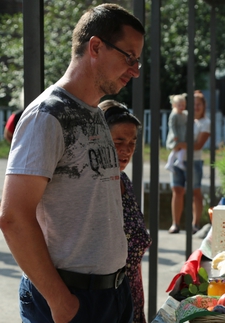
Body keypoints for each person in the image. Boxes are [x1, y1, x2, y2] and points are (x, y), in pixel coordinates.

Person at [0, 4, 144, 323]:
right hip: (72, 298)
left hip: (111, 295)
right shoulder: (46, 116)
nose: (135, 69)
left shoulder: (93, 111)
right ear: (95, 47)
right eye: (129, 57)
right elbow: (13, 218)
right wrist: (60, 300)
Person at [100, 100, 152, 323]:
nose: (128, 149)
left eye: (133, 142)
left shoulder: (123, 181)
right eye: (119, 141)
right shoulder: (94, 186)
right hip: (105, 301)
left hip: (132, 292)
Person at [168, 91, 210, 234]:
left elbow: (198, 145)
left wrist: (180, 145)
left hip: (194, 161)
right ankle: (175, 223)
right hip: (178, 159)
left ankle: (195, 224)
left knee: (195, 192)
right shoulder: (184, 117)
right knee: (177, 190)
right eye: (193, 104)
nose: (196, 107)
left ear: (204, 106)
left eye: (199, 104)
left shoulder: (205, 123)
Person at [165, 94, 188, 173]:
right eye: (179, 105)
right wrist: (175, 135)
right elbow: (172, 126)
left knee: (182, 148)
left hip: (182, 135)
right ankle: (170, 163)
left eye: (183, 105)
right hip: (176, 136)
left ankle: (179, 161)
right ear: (174, 105)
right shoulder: (174, 115)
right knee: (175, 150)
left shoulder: (184, 114)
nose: (182, 107)